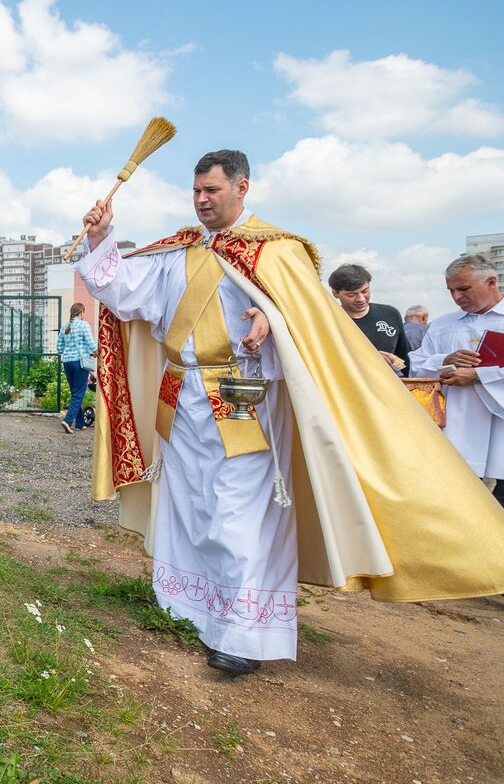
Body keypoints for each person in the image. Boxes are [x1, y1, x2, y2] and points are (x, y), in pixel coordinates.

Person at [78, 149, 504, 678]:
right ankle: (192, 609)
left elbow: (309, 326)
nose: (202, 200)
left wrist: (272, 319)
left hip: (244, 397)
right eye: (196, 191)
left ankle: (246, 635)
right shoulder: (179, 250)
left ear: (242, 188)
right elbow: (126, 296)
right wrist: (101, 238)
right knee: (191, 507)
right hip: (179, 398)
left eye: (212, 190)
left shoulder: (279, 253)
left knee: (240, 511)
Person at [410, 255, 504, 504]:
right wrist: (444, 360)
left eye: (463, 289)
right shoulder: (443, 325)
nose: (456, 297)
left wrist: (480, 376)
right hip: (459, 426)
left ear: (492, 282)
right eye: (451, 290)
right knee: (459, 502)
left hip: (500, 427)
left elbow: (480, 374)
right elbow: (417, 367)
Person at [326, 264, 410, 374]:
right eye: (351, 295)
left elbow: (405, 357)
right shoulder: (329, 322)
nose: (360, 299)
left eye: (365, 291)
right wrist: (372, 359)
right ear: (335, 293)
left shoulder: (390, 314)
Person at [58, 302, 97, 434]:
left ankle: (79, 424)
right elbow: (91, 343)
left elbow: (59, 347)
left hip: (67, 363)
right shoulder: (83, 325)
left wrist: (69, 351)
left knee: (75, 393)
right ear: (81, 312)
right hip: (80, 363)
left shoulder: (65, 326)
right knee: (79, 393)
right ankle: (68, 421)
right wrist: (96, 351)